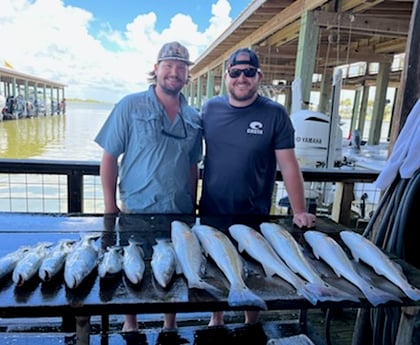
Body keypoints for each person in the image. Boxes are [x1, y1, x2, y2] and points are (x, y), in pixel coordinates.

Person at [199, 48, 316, 332]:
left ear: (259, 76)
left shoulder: (275, 113)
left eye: (249, 72)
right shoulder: (209, 109)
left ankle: (253, 322)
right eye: (235, 72)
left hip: (254, 210)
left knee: (256, 266)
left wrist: (299, 210)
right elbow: (184, 151)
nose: (242, 78)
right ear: (226, 77)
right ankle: (216, 319)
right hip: (213, 208)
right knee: (216, 267)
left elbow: (288, 165)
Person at [95, 41, 202, 333]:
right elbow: (109, 156)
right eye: (168, 65)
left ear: (187, 75)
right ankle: (131, 326)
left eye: (181, 67)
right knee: (134, 267)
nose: (174, 72)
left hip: (178, 211)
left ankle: (170, 326)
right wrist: (109, 206)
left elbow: (193, 165)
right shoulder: (129, 105)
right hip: (135, 208)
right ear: (155, 69)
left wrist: (193, 204)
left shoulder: (194, 117)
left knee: (176, 270)